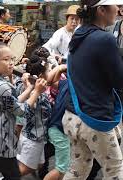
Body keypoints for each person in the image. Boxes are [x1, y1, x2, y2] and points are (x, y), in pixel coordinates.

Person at [62, 0, 123, 178]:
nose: (118, 9)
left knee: (77, 169)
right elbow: (119, 82)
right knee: (115, 170)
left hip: (72, 115)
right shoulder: (105, 39)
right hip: (94, 118)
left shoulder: (78, 35)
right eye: (115, 5)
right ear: (102, 10)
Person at [0, 41, 47, 180]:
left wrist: (30, 89)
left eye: (12, 59)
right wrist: (37, 92)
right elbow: (21, 111)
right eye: (6, 59)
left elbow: (11, 103)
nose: (11, 63)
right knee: (13, 176)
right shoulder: (2, 86)